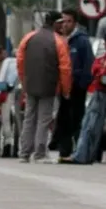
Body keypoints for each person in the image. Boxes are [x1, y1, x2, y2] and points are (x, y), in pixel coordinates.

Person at [63, 26, 106, 164]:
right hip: (104, 93)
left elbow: (98, 72)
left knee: (90, 125)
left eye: (105, 41)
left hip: (102, 94)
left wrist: (97, 70)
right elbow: (95, 67)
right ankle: (85, 154)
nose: (104, 43)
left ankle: (82, 155)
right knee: (90, 124)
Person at [16, 11, 72, 162]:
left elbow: (20, 62)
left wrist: (24, 81)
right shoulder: (59, 42)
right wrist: (66, 90)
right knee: (44, 120)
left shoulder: (28, 38)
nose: (62, 25)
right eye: (60, 22)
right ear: (54, 23)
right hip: (49, 86)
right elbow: (65, 68)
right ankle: (40, 153)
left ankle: (24, 153)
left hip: (30, 85)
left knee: (29, 118)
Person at [53, 9, 94, 158]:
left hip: (76, 87)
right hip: (63, 87)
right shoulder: (58, 40)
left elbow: (88, 64)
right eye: (63, 21)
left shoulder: (82, 41)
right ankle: (64, 148)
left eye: (69, 21)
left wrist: (82, 84)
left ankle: (80, 149)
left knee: (77, 118)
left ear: (75, 23)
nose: (65, 24)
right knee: (63, 118)